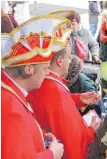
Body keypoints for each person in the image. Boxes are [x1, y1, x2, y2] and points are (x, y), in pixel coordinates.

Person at [1, 15, 67, 159]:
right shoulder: (10, 107)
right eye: (44, 68)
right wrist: (52, 154)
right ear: (29, 69)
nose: (48, 72)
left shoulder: (11, 91)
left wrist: (40, 134)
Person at [28, 45, 101, 159]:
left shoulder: (40, 82)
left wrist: (78, 98)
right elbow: (74, 137)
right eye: (69, 58)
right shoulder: (57, 90)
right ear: (60, 61)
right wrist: (91, 130)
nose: (70, 61)